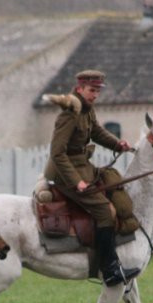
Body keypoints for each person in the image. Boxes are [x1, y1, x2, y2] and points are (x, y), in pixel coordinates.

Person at [43, 69, 140, 286]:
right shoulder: (69, 113)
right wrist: (76, 182)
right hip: (65, 175)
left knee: (115, 187)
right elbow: (57, 154)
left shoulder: (87, 109)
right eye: (91, 90)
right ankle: (109, 269)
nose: (95, 95)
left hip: (84, 167)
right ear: (79, 88)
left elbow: (96, 131)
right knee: (105, 211)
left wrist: (117, 144)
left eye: (97, 91)